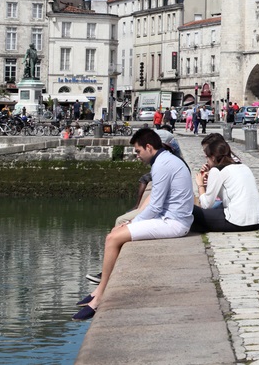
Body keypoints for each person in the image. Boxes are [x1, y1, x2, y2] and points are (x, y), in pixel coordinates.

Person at [72, 127, 193, 320]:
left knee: (113, 237)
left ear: (148, 147)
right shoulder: (166, 160)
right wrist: (131, 223)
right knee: (116, 231)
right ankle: (98, 289)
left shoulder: (162, 164)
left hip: (173, 223)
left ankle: (100, 296)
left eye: (138, 151)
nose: (137, 156)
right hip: (172, 218)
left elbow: (155, 205)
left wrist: (132, 222)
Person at [191, 135, 259, 233]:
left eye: (207, 157)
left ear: (212, 157)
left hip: (236, 222)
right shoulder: (243, 166)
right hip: (256, 222)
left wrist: (200, 185)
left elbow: (206, 204)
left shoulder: (216, 170)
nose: (206, 161)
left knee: (190, 209)